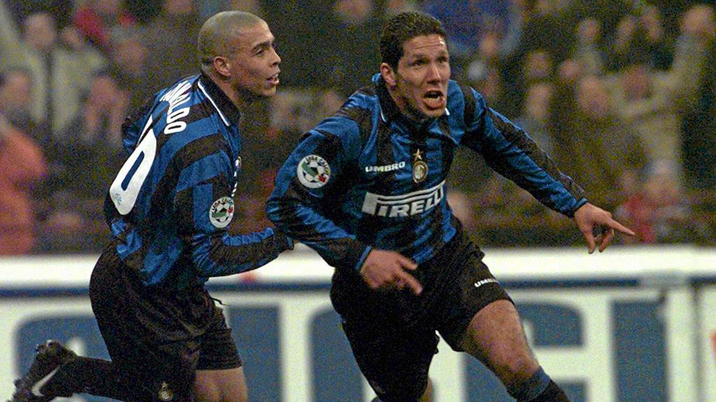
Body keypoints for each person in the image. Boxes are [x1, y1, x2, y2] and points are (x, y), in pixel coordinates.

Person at [267, 11, 634, 402]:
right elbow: (286, 205)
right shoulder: (351, 130)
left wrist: (575, 204)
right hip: (373, 289)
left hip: (446, 258)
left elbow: (509, 147)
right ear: (390, 74)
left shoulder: (457, 104)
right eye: (419, 64)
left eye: (441, 61)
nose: (436, 75)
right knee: (412, 397)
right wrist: (360, 256)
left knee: (516, 362)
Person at [10, 11, 290, 402]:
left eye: (272, 47)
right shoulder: (206, 149)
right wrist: (285, 236)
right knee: (161, 394)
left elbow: (132, 130)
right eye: (260, 51)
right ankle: (66, 372)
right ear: (223, 66)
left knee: (227, 397)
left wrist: (160, 205)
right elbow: (210, 256)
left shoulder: (184, 90)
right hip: (142, 287)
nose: (276, 59)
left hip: (172, 276)